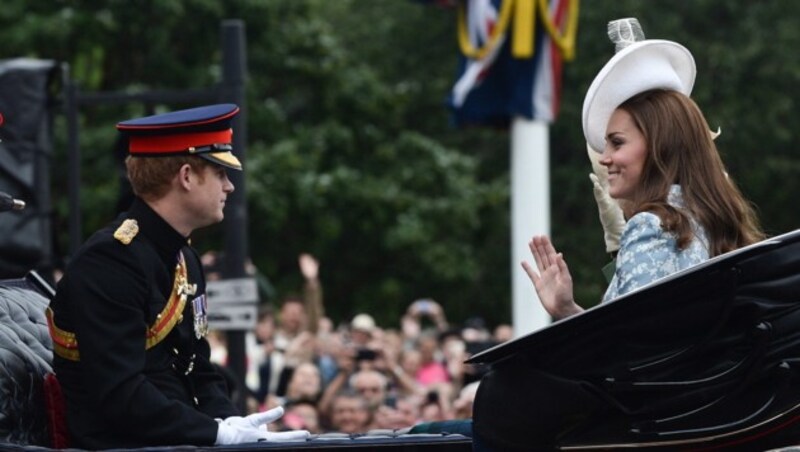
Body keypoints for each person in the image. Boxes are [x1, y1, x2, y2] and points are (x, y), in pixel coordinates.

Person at [46, 104, 309, 448]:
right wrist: (216, 434)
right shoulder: (109, 260)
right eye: (220, 174)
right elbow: (121, 394)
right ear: (186, 176)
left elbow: (198, 367)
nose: (229, 187)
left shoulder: (184, 258)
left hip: (174, 439)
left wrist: (229, 419)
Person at [522, 18, 764, 321]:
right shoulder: (715, 220)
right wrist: (567, 309)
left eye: (617, 143)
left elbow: (628, 352)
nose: (606, 158)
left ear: (659, 146)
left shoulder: (652, 226)